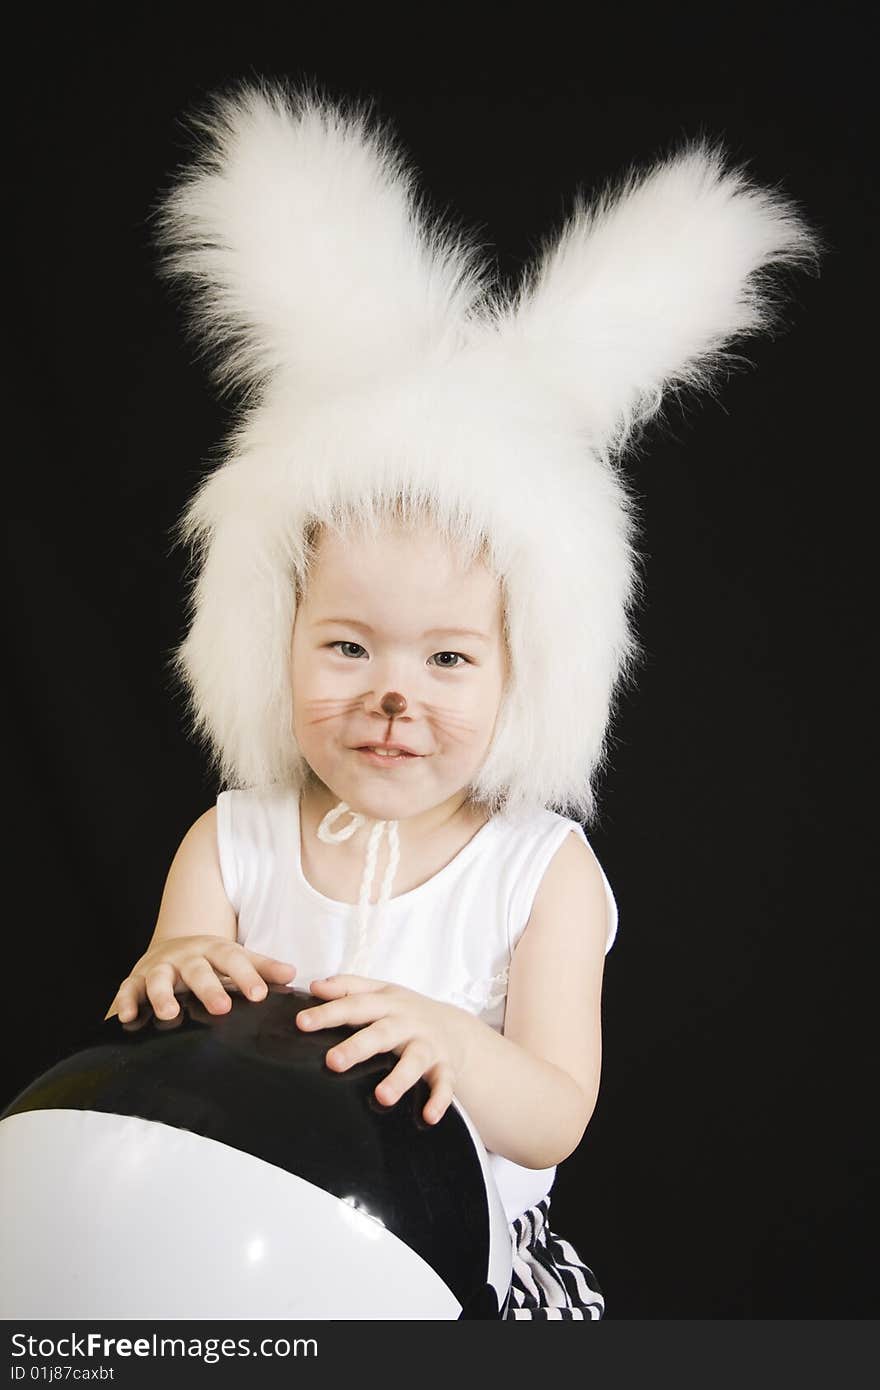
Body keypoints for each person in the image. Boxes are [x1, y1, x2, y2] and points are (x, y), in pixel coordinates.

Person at [103, 80, 822, 1318]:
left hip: (451, 1275)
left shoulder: (538, 870)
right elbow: (167, 992)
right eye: (345, 649)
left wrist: (456, 1045)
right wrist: (177, 966)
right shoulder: (234, 838)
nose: (394, 696)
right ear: (266, 647)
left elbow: (552, 1116)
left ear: (526, 674)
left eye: (447, 659)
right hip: (240, 1260)